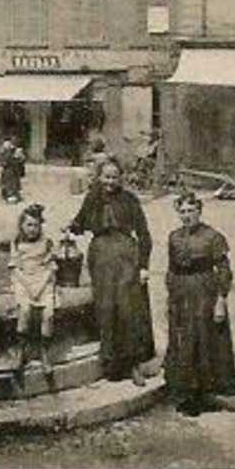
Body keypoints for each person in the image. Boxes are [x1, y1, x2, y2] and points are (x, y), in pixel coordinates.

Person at [68, 157, 156, 385]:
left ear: (121, 178)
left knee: (129, 308)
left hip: (127, 256)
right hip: (100, 257)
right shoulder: (92, 199)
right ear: (99, 177)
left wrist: (144, 266)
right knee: (106, 307)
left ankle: (134, 364)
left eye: (115, 177)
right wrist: (71, 228)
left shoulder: (130, 200)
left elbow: (145, 235)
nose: (110, 181)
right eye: (106, 176)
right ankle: (112, 364)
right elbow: (79, 223)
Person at [163, 191, 235, 415]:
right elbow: (171, 268)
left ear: (199, 211)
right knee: (183, 340)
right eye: (183, 211)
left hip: (204, 291)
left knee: (203, 339)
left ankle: (205, 393)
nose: (187, 216)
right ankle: (186, 391)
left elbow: (224, 269)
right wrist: (170, 296)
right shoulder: (174, 236)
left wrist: (221, 300)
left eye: (191, 211)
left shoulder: (213, 237)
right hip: (180, 293)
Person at [9, 202, 61, 375]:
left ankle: (44, 353)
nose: (32, 229)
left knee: (48, 314)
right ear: (22, 226)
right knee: (24, 311)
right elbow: (14, 268)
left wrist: (42, 284)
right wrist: (27, 285)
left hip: (43, 280)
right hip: (24, 281)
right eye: (29, 225)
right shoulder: (17, 243)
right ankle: (20, 351)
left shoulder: (46, 243)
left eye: (36, 225)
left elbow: (51, 266)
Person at [0, 139, 27, 204]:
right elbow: (4, 162)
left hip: (12, 171)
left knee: (12, 184)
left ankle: (12, 196)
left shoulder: (9, 152)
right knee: (10, 184)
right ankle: (11, 196)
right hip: (10, 171)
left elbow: (4, 162)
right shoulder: (8, 152)